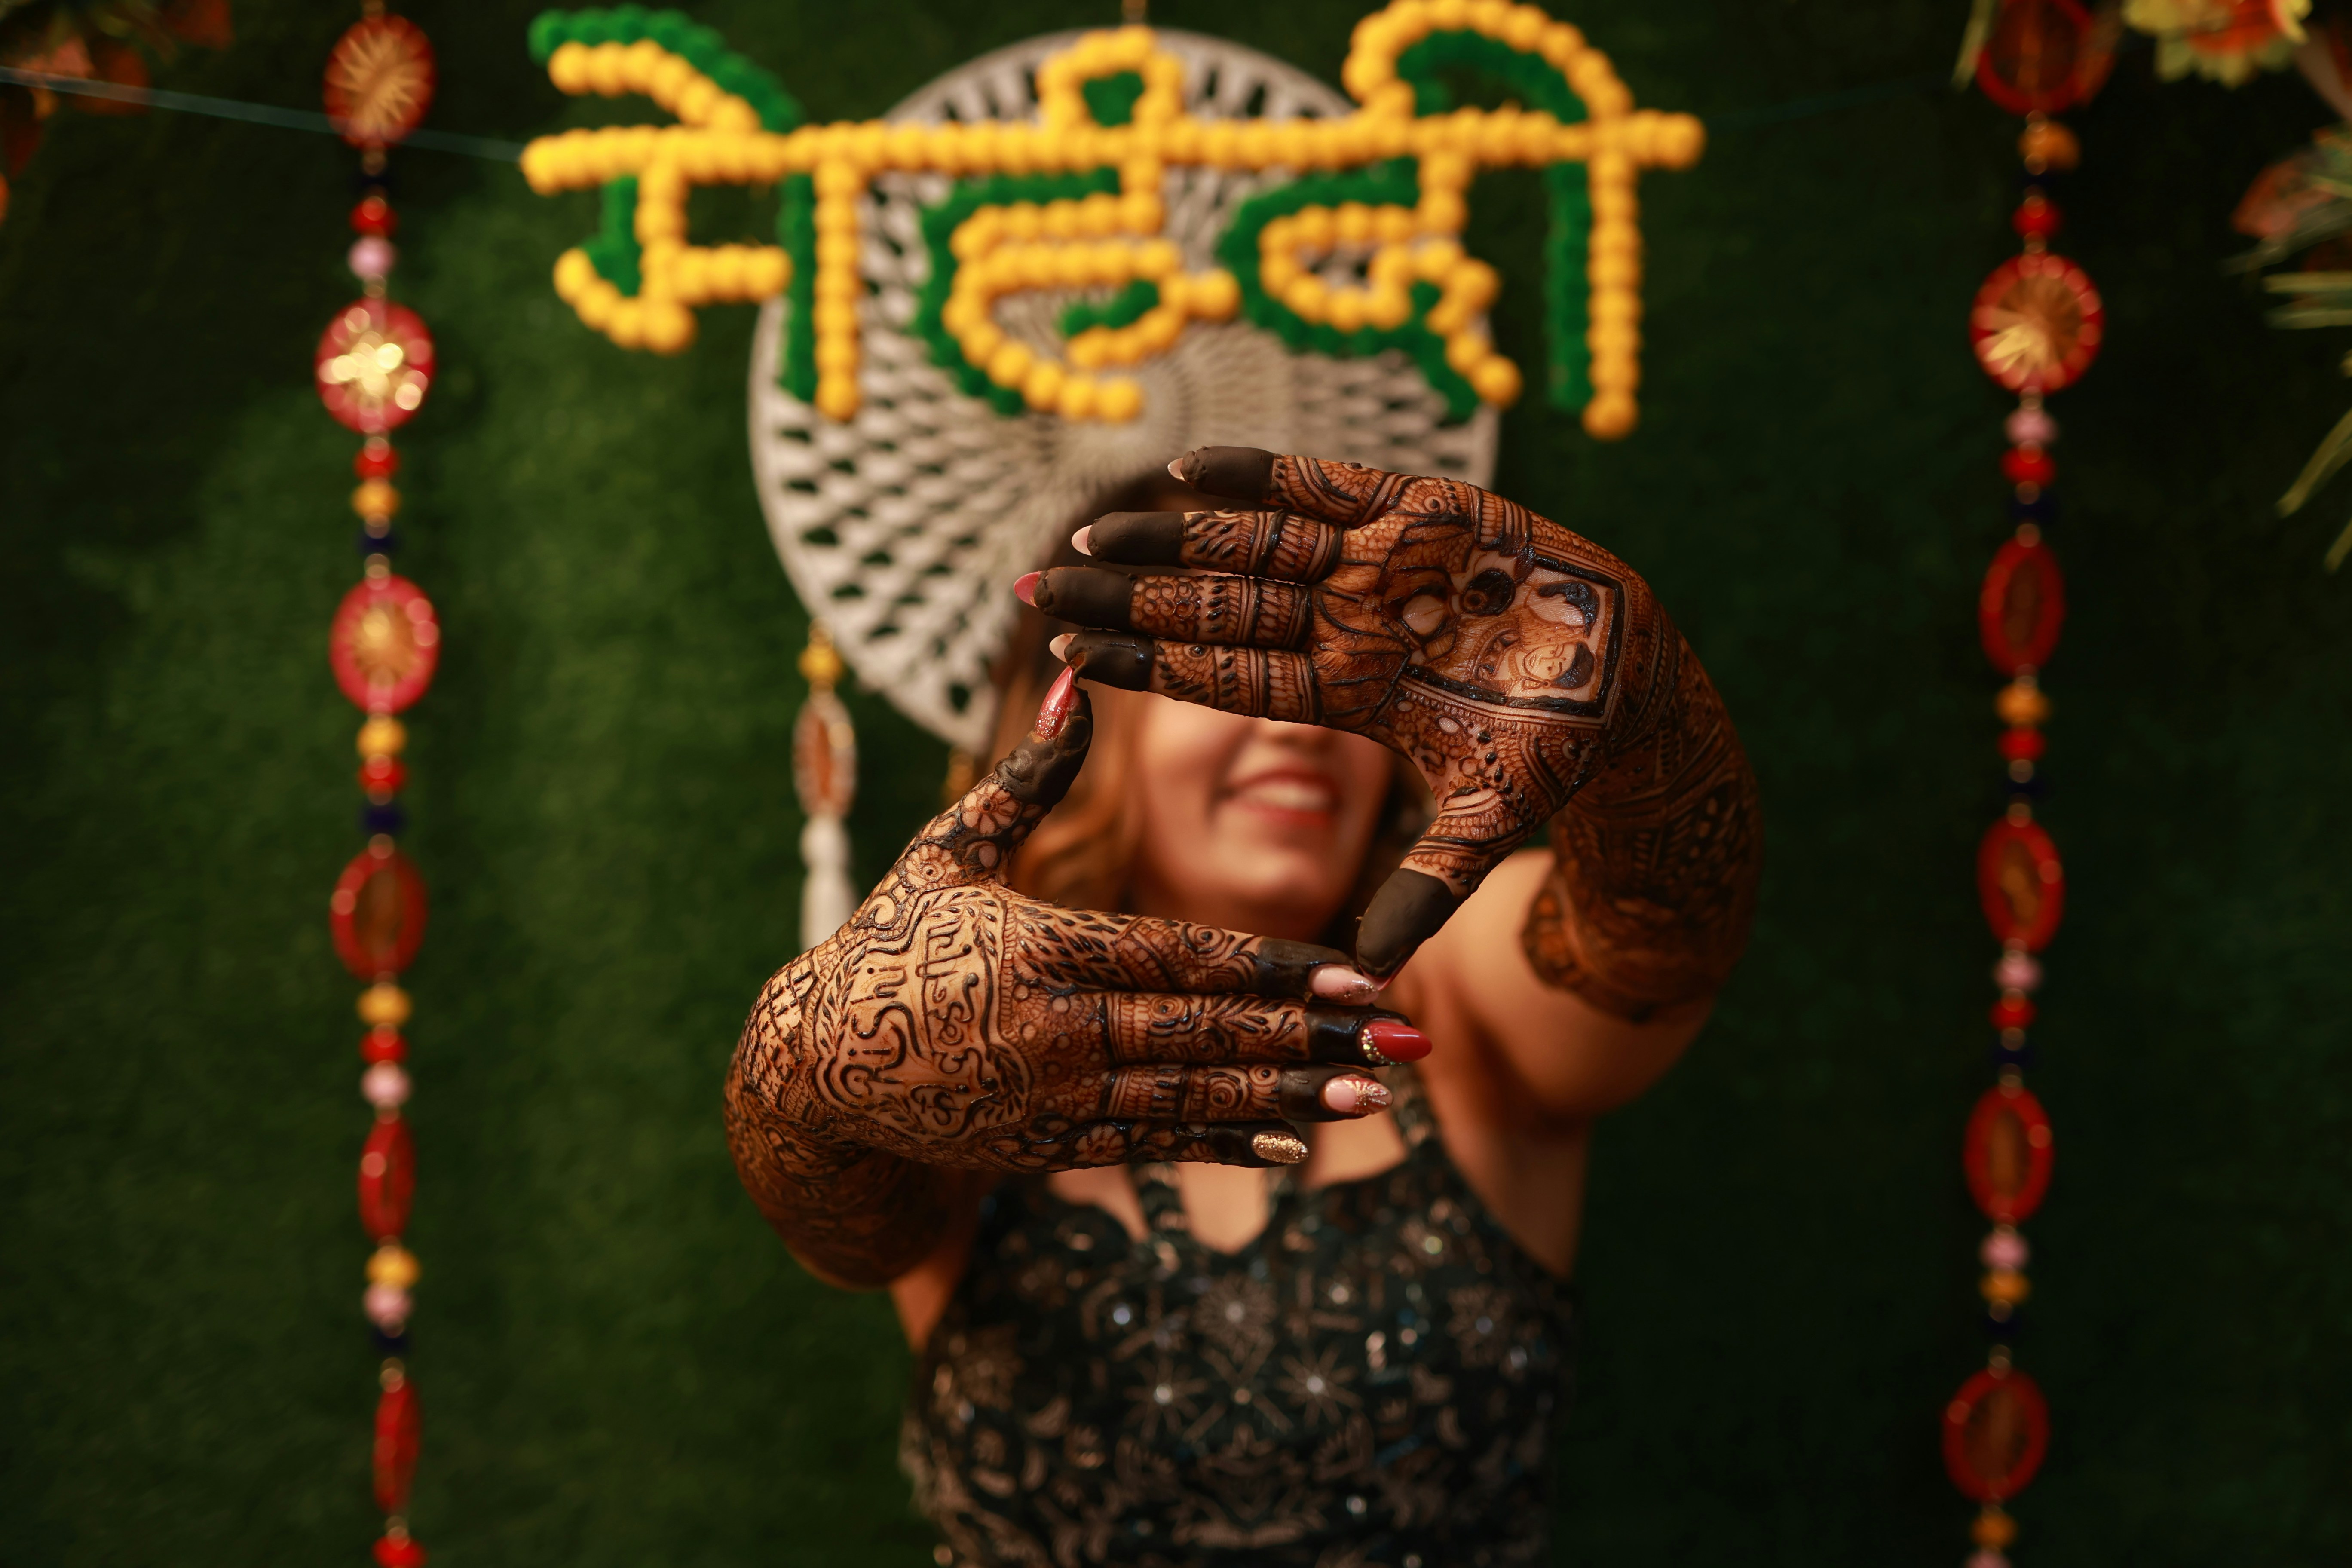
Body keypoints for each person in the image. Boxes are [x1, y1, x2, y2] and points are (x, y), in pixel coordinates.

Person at [726, 447, 1763, 1567]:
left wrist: (1656, 730)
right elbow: (851, 1237)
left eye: (1349, 679)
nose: (1303, 724)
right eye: (1232, 669)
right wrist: (793, 1079)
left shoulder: (1461, 987)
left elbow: (1660, 946)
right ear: (1090, 712)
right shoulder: (969, 1032)